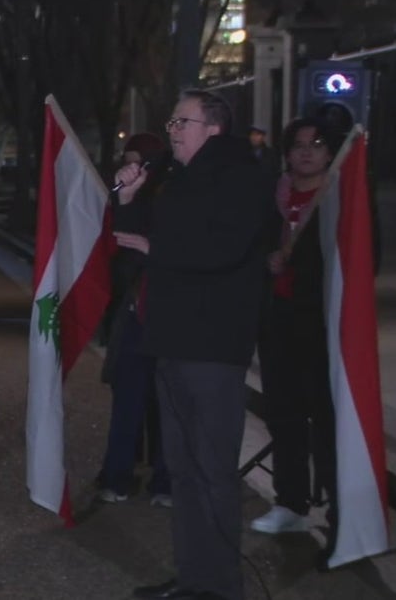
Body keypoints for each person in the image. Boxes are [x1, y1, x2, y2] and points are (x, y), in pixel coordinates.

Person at [122, 91, 271, 600]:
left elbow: (222, 248)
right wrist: (128, 199)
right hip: (172, 341)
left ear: (213, 129)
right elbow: (139, 243)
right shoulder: (173, 178)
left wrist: (157, 248)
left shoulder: (241, 177)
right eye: (172, 120)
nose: (172, 130)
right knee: (183, 471)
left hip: (211, 347)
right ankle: (193, 580)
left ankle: (221, 587)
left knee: (211, 472)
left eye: (182, 120)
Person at [249, 118, 338, 536]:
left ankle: (341, 509)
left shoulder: (340, 196)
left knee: (326, 417)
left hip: (322, 323)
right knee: (284, 415)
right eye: (299, 145)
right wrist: (267, 261)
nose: (307, 151)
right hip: (278, 319)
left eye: (316, 143)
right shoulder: (274, 197)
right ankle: (291, 503)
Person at [96, 133, 171, 506]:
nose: (130, 168)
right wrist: (123, 197)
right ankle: (117, 475)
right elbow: (118, 257)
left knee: (167, 404)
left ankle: (165, 480)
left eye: (139, 161)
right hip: (134, 314)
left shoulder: (175, 195)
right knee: (127, 399)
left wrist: (152, 250)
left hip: (170, 316)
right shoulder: (126, 198)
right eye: (126, 160)